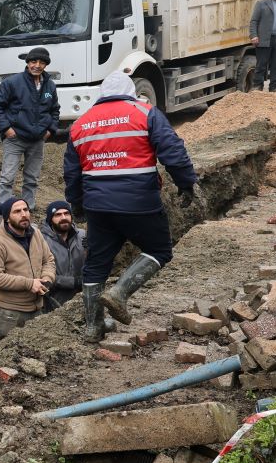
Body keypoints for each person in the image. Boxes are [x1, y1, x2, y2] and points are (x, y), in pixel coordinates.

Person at [64, 70, 198, 344]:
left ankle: (93, 327)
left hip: (98, 206)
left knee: (96, 264)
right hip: (138, 201)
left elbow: (72, 173)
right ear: (130, 92)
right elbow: (172, 150)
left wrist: (77, 205)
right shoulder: (144, 112)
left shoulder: (80, 124)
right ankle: (120, 293)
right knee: (159, 249)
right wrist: (186, 183)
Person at [0, 47, 60, 210]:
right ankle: (5, 209)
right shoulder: (13, 83)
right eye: (33, 61)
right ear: (27, 63)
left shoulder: (50, 86)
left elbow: (54, 109)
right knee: (7, 177)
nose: (37, 65)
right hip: (15, 138)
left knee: (32, 178)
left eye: (42, 62)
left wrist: (51, 130)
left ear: (46, 65)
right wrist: (6, 128)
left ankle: (28, 208)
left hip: (37, 140)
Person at [0, 196, 57, 341]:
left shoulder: (36, 234)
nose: (24, 214)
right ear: (7, 218)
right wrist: (29, 283)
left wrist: (47, 278)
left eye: (26, 210)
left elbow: (48, 260)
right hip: (10, 315)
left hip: (37, 310)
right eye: (17, 211)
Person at [40, 199, 87, 310]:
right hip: (54, 302)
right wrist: (74, 282)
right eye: (58, 215)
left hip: (82, 299)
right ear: (50, 219)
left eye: (66, 213)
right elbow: (40, 275)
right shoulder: (41, 240)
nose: (63, 218)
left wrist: (94, 249)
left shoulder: (82, 235)